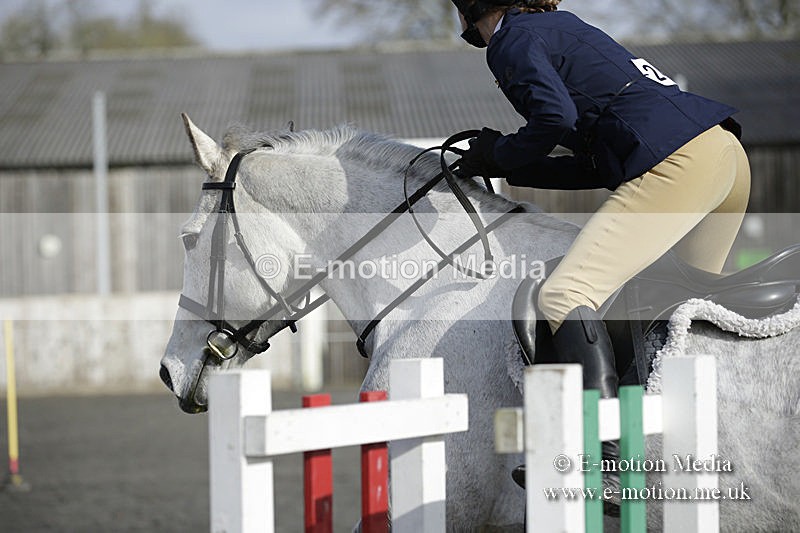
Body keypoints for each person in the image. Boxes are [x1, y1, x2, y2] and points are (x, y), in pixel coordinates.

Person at [451, 0, 750, 403]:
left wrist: (500, 153)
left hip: (680, 164)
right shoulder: (562, 26)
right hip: (724, 154)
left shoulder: (510, 40)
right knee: (679, 308)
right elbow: (599, 167)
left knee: (563, 296)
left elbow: (553, 118)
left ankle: (602, 444)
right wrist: (510, 168)